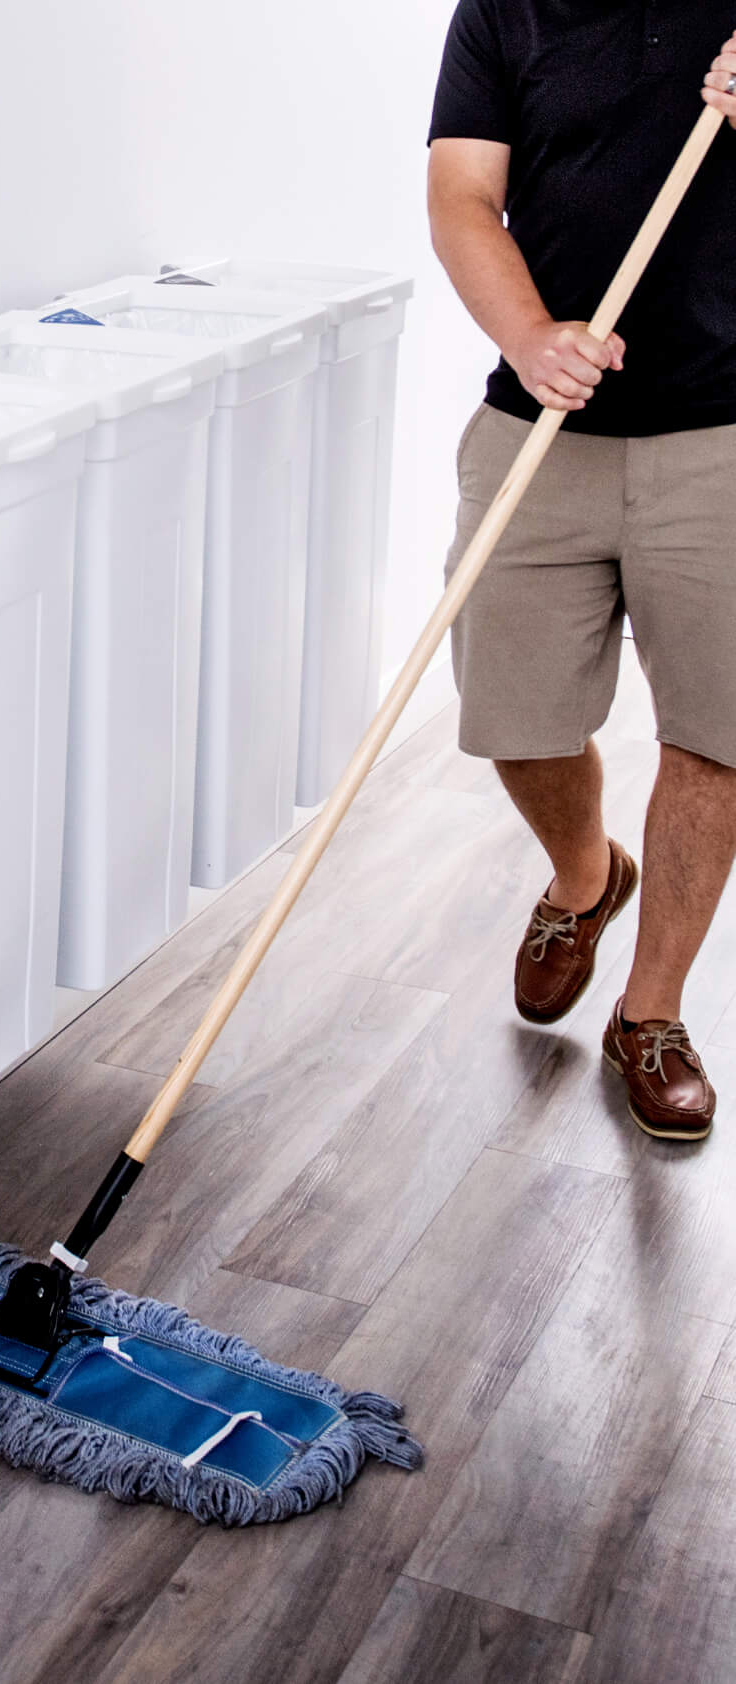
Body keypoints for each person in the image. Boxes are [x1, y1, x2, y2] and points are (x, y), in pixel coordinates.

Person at [427, 7, 736, 1141]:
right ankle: (580, 874)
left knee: (716, 733)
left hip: (721, 433)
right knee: (510, 714)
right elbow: (460, 195)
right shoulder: (503, 7)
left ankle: (646, 1015)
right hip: (539, 424)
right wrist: (527, 335)